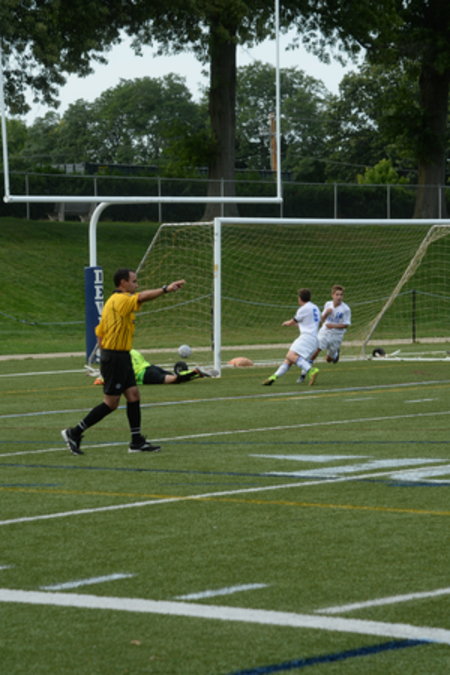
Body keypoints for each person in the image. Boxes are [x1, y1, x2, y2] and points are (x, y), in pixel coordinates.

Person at [61, 268, 185, 456]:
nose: (137, 284)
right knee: (111, 403)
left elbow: (100, 332)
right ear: (123, 283)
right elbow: (142, 297)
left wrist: (107, 352)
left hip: (121, 356)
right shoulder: (120, 299)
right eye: (134, 281)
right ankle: (74, 432)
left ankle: (136, 441)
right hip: (115, 357)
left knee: (133, 395)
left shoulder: (114, 302)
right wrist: (165, 289)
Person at [262, 288, 320, 386]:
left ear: (300, 298)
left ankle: (311, 370)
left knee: (290, 355)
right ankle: (273, 377)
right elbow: (308, 323)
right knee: (289, 360)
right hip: (313, 338)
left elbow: (292, 321)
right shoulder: (315, 307)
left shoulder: (303, 309)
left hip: (306, 337)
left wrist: (286, 323)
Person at [92, 349, 217, 385]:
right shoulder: (132, 351)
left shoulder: (119, 357)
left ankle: (195, 371)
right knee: (176, 378)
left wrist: (102, 380)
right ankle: (197, 374)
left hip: (145, 375)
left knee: (173, 379)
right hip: (151, 368)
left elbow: (121, 373)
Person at [309, 284, 351, 366]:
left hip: (337, 335)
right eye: (337, 295)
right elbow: (322, 319)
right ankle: (306, 368)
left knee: (328, 360)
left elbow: (346, 325)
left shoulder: (346, 309)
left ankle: (335, 354)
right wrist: (326, 313)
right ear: (332, 295)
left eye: (341, 295)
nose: (339, 297)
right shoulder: (328, 304)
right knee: (317, 349)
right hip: (325, 331)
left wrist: (333, 326)